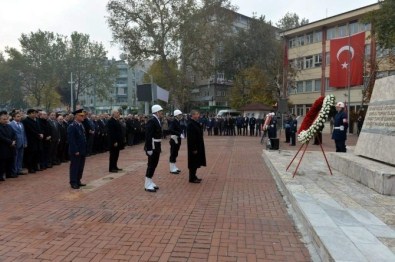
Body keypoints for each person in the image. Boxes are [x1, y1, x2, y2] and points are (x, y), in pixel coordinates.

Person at [144, 104, 163, 192]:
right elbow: (148, 135)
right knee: (151, 165)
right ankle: (147, 184)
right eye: (161, 111)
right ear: (157, 112)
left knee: (154, 164)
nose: (162, 113)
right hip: (153, 145)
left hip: (157, 145)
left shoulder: (157, 119)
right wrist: (149, 148)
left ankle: (150, 181)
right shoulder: (152, 121)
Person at [67, 109, 88, 189]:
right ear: (76, 116)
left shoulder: (81, 125)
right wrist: (75, 150)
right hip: (76, 151)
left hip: (82, 150)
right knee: (75, 167)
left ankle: (78, 180)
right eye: (81, 116)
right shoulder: (72, 126)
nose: (83, 117)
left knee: (80, 167)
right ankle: (73, 182)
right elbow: (71, 140)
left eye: (83, 115)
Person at [187, 110, 206, 183]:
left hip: (198, 145)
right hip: (194, 147)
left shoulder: (195, 123)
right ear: (193, 115)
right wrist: (194, 148)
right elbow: (191, 138)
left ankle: (194, 176)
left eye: (198, 114)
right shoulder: (191, 124)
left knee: (196, 162)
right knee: (193, 163)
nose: (198, 115)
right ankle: (192, 178)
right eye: (197, 114)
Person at [22, 109, 43, 173]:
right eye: (33, 113)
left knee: (36, 154)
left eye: (35, 113)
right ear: (29, 114)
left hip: (37, 140)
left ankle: (35, 166)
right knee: (30, 155)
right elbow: (30, 130)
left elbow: (39, 128)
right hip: (30, 140)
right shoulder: (26, 121)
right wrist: (38, 135)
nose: (34, 114)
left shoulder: (36, 120)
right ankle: (30, 168)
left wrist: (41, 133)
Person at [9, 111, 27, 176]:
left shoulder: (21, 124)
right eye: (18, 116)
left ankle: (19, 169)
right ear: (14, 117)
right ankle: (14, 171)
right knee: (15, 158)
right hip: (15, 143)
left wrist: (25, 142)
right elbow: (11, 134)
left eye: (20, 116)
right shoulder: (11, 124)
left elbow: (24, 134)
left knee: (20, 157)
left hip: (22, 143)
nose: (19, 118)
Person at [0, 111, 17, 180]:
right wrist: (10, 142)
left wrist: (14, 141)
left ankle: (9, 174)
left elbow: (14, 134)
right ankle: (1, 175)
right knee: (2, 162)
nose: (5, 120)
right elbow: (1, 137)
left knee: (10, 160)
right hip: (2, 147)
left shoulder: (9, 126)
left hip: (10, 147)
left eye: (6, 119)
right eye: (3, 119)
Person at [168, 109, 184, 174]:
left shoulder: (177, 121)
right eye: (179, 115)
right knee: (173, 153)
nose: (181, 116)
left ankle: (174, 166)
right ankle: (171, 168)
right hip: (174, 139)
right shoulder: (173, 122)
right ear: (176, 115)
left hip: (177, 139)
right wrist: (179, 133)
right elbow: (171, 130)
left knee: (175, 153)